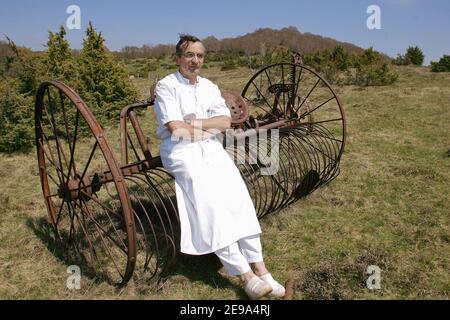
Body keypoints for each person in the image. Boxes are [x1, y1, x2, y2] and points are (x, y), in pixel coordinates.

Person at [153, 34, 285, 300]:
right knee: (210, 203)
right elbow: (175, 129)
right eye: (189, 55)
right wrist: (203, 124)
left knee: (237, 197)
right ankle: (244, 275)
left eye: (200, 55)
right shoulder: (167, 86)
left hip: (210, 147)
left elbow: (225, 123)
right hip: (181, 151)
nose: (195, 60)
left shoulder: (209, 87)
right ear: (178, 58)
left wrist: (196, 123)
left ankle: (261, 269)